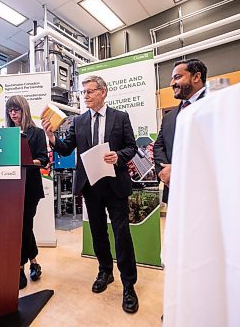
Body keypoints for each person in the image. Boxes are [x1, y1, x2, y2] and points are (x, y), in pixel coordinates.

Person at [41, 75, 139, 314]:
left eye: (90, 91)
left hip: (115, 184)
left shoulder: (120, 117)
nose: (85, 95)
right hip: (91, 186)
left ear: (103, 92)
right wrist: (52, 137)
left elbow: (132, 147)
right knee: (97, 233)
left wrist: (118, 156)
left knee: (122, 234)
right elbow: (66, 148)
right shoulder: (79, 121)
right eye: (83, 92)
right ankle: (105, 272)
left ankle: (129, 285)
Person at [5, 95, 49, 290]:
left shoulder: (37, 133)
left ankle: (19, 267)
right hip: (10, 189)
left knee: (24, 226)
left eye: (17, 109)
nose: (13, 113)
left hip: (30, 188)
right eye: (10, 110)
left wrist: (27, 162)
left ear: (24, 110)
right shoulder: (6, 134)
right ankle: (34, 261)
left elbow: (44, 160)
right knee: (21, 227)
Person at [153, 58, 208, 203]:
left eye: (177, 77)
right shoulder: (169, 117)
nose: (172, 84)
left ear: (196, 77)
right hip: (174, 191)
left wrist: (178, 170)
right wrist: (164, 172)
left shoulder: (216, 104)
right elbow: (159, 146)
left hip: (208, 191)